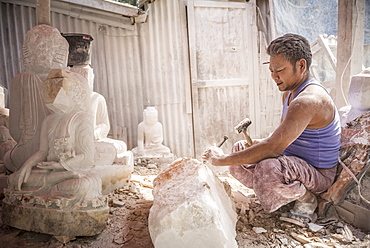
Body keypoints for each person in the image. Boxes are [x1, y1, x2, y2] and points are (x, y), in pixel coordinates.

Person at [202, 33, 341, 223]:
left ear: (301, 66)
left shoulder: (308, 100)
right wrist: (260, 146)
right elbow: (284, 138)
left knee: (268, 168)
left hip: (318, 174)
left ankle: (307, 200)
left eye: (280, 70)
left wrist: (221, 160)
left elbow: (274, 147)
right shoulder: (290, 93)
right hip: (295, 162)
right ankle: (286, 196)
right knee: (241, 149)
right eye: (271, 71)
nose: (274, 77)